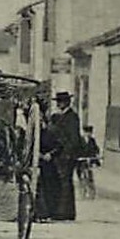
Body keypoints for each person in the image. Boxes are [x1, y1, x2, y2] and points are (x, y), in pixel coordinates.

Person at [45, 92, 82, 221]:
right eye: (57, 101)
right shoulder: (59, 116)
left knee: (65, 183)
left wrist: (68, 154)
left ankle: (65, 212)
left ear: (67, 102)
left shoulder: (72, 117)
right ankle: (60, 211)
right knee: (60, 183)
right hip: (59, 155)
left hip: (66, 156)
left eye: (60, 101)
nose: (58, 104)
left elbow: (74, 138)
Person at [77, 125, 100, 200]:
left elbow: (96, 149)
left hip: (89, 160)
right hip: (81, 160)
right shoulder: (80, 140)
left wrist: (95, 155)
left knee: (90, 177)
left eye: (90, 132)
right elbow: (77, 149)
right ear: (84, 132)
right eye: (87, 132)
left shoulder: (92, 140)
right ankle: (82, 192)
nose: (88, 134)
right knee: (81, 177)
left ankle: (92, 193)